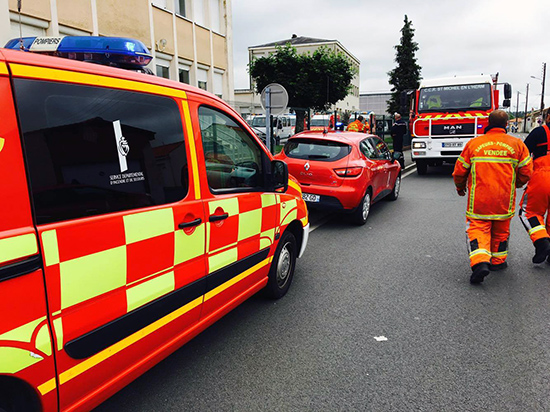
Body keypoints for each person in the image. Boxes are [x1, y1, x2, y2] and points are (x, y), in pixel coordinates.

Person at [453, 110, 532, 284]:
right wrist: (516, 184)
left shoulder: (474, 144)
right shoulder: (517, 144)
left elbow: (459, 171)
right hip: (504, 199)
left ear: (488, 122)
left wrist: (460, 187)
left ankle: (480, 262)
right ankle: (497, 262)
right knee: (501, 231)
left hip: (479, 201)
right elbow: (526, 172)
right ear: (506, 124)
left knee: (478, 229)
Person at [519, 109, 550, 263]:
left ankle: (542, 241)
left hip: (543, 176)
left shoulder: (539, 132)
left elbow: (523, 155)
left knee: (528, 212)